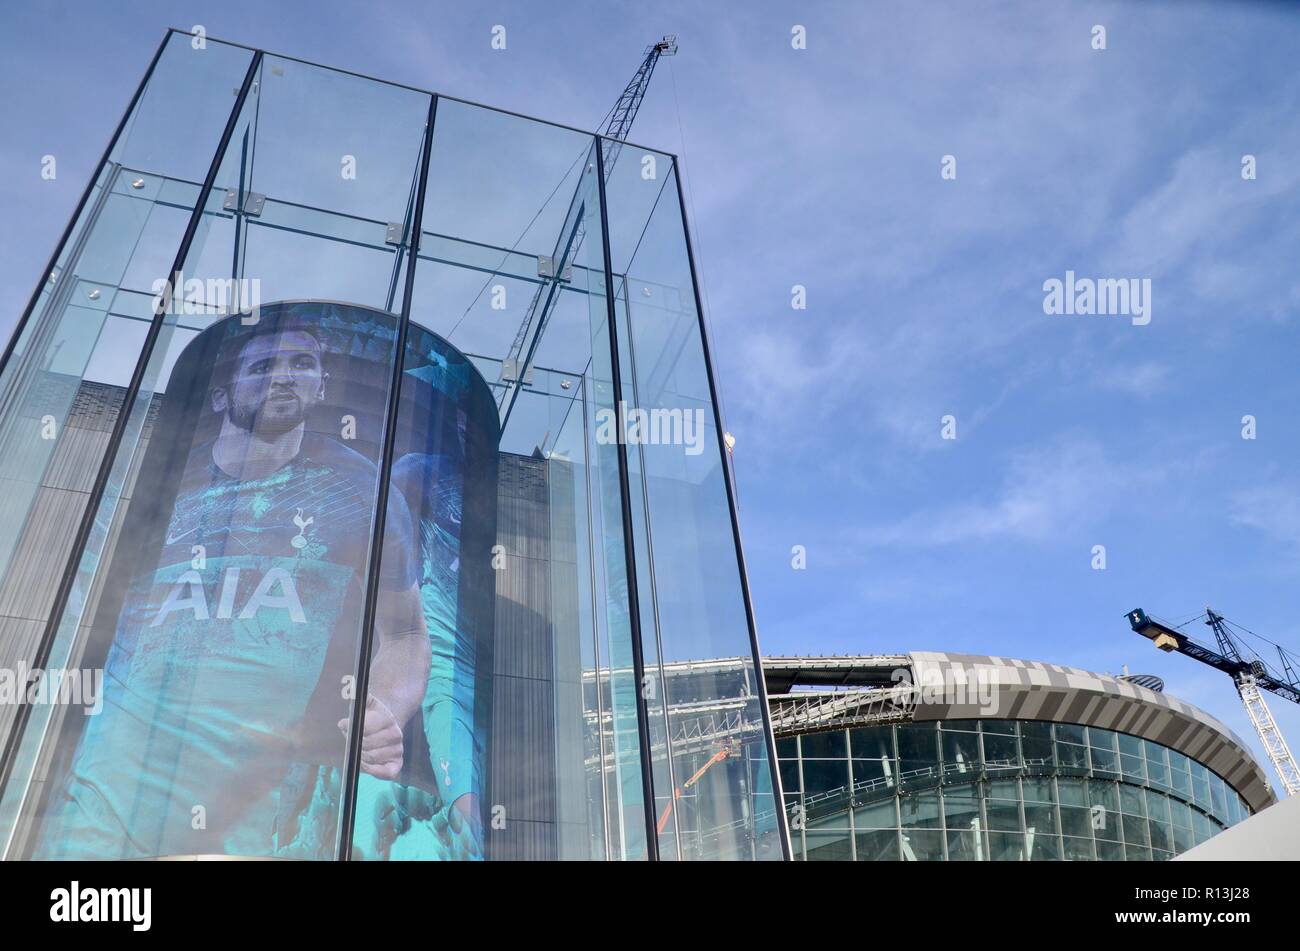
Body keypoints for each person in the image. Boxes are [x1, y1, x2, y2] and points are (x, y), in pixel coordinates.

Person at [35, 315, 430, 859]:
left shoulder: (363, 490)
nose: (283, 377)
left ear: (321, 387)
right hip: (107, 791)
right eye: (263, 366)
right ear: (223, 396)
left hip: (253, 807)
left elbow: (406, 631)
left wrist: (385, 707)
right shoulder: (158, 491)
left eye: (302, 365)